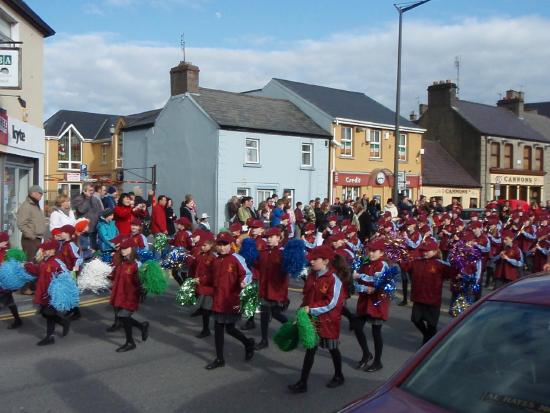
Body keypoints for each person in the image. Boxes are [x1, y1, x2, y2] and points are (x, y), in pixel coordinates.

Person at [288, 246, 346, 394]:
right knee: (310, 350)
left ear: (326, 261)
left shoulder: (334, 280)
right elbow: (307, 298)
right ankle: (303, 382)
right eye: (311, 259)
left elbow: (332, 303)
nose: (311, 261)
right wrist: (301, 314)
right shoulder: (312, 276)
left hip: (328, 321)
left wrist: (311, 309)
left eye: (315, 259)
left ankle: (339, 375)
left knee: (333, 349)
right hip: (312, 320)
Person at [205, 232, 255, 370]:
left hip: (231, 299)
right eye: (219, 245)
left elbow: (247, 273)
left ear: (230, 245)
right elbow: (209, 278)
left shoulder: (236, 258)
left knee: (231, 329)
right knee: (218, 329)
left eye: (224, 244)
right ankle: (219, 358)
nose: (221, 248)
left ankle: (247, 342)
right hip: (218, 300)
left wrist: (244, 282)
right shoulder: (215, 260)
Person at [352, 238, 390, 372]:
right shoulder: (365, 263)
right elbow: (357, 285)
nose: (371, 253)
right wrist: (362, 286)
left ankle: (378, 361)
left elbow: (377, 281)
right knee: (357, 327)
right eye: (370, 250)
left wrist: (359, 277)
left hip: (376, 303)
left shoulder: (383, 265)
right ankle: (366, 354)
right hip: (364, 301)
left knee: (376, 332)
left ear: (381, 253)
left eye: (375, 251)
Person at [24, 239, 71, 345]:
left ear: (53, 250)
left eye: (47, 249)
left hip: (51, 293)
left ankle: (50, 337)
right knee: (44, 313)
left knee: (48, 313)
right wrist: (27, 265)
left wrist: (58, 292)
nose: (44, 251)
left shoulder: (55, 263)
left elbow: (64, 277)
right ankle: (63, 322)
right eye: (44, 249)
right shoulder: (46, 261)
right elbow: (38, 271)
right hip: (43, 291)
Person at [406, 239, 450, 345]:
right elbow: (406, 266)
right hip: (418, 297)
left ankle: (428, 344)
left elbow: (451, 273)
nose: (425, 252)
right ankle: (427, 337)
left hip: (432, 299)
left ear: (435, 251)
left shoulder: (440, 264)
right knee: (416, 320)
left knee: (432, 325)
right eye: (423, 250)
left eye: (428, 250)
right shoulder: (416, 262)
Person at [109, 238, 149, 352]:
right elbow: (117, 275)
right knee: (123, 317)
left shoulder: (137, 263)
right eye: (122, 248)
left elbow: (143, 280)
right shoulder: (122, 261)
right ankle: (142, 326)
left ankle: (130, 342)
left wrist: (142, 289)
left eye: (125, 248)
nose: (122, 250)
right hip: (121, 294)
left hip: (131, 295)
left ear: (132, 249)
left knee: (123, 316)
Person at [255, 227, 289, 350]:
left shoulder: (283, 252)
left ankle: (293, 328)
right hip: (264, 288)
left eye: (271, 237)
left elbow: (287, 270)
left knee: (275, 313)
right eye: (267, 237)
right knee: (264, 314)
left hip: (276, 289)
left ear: (279, 238)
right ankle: (264, 340)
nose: (268, 239)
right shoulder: (263, 252)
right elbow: (258, 266)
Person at [17, 185, 47, 295]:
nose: (41, 195)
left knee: (36, 263)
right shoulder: (26, 206)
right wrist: (31, 236)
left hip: (37, 238)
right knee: (29, 264)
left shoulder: (35, 205)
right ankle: (25, 288)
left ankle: (33, 286)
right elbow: (21, 224)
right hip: (30, 239)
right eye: (40, 193)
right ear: (33, 193)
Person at [189, 232, 216, 338]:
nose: (202, 247)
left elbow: (212, 274)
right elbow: (195, 267)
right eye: (202, 245)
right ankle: (206, 328)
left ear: (211, 245)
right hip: (201, 285)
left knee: (206, 308)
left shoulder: (212, 257)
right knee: (204, 308)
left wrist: (201, 279)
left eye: (204, 245)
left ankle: (206, 330)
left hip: (208, 287)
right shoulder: (201, 255)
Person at [0, 232, 22, 329]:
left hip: (4, 283)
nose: (5, 242)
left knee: (5, 300)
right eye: (3, 241)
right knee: (9, 301)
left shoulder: (8, 252)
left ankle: (18, 320)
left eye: (6, 240)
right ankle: (18, 320)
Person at [72, 184, 103, 249]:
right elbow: (81, 210)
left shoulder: (95, 199)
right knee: (84, 248)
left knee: (93, 248)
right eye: (90, 190)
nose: (92, 192)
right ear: (84, 191)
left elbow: (100, 211)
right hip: (84, 230)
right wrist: (87, 199)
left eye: (93, 190)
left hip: (94, 228)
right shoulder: (78, 199)